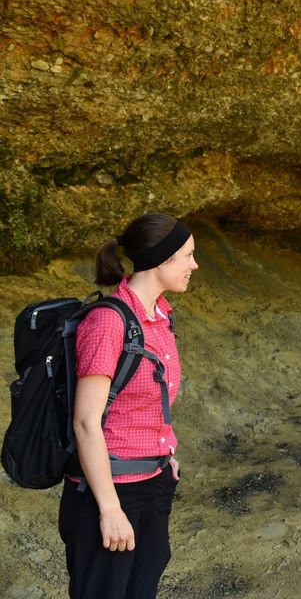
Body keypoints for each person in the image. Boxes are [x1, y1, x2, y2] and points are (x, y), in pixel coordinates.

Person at [59, 213, 198, 599]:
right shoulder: (108, 321)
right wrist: (109, 509)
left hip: (153, 483)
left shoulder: (160, 318)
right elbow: (86, 422)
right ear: (162, 259)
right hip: (111, 489)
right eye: (188, 256)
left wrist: (163, 455)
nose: (194, 265)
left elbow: (149, 403)